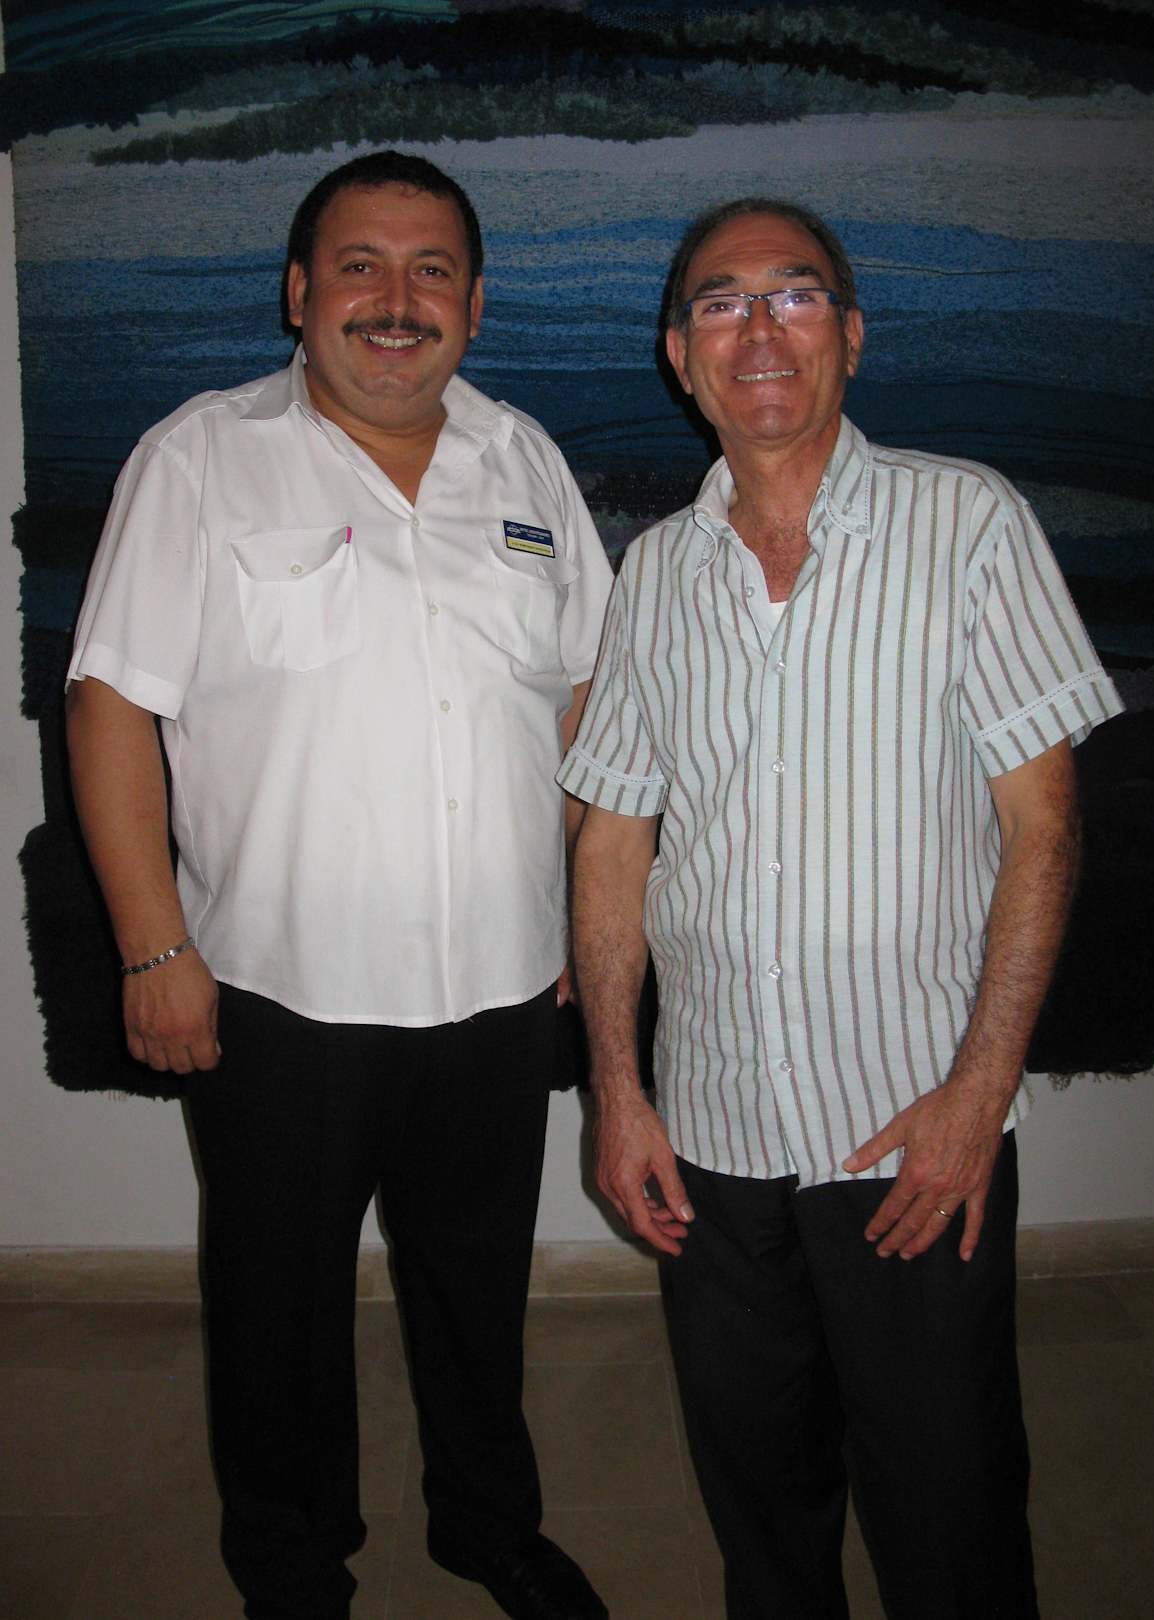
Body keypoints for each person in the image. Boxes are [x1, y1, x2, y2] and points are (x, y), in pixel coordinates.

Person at [65, 151, 613, 1620]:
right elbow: (110, 707)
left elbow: (586, 706)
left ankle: (488, 1527)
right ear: (299, 290)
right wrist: (150, 948)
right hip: (275, 993)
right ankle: (294, 1564)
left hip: (499, 985)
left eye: (432, 270)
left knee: (476, 1288)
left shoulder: (527, 462)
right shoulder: (200, 458)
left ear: (476, 304)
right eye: (360, 264)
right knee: (279, 1305)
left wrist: (586, 914)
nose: (396, 298)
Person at [560, 197, 1123, 1619]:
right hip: (713, 1133)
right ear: (680, 356)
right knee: (763, 1508)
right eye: (720, 302)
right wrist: (619, 1092)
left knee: (950, 1507)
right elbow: (614, 843)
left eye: (795, 294)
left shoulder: (968, 523)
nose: (758, 328)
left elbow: (1045, 831)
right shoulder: (655, 575)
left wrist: (979, 1095)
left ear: (852, 336)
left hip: (910, 1127)